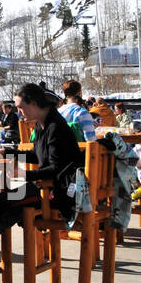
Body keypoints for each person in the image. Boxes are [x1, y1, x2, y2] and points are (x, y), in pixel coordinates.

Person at [15, 83, 82, 224]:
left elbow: (55, 168)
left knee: (9, 201)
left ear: (33, 104)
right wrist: (8, 153)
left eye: (20, 107)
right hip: (53, 187)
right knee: (7, 201)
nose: (18, 112)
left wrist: (25, 175)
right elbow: (36, 155)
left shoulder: (55, 127)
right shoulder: (42, 123)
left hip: (61, 193)